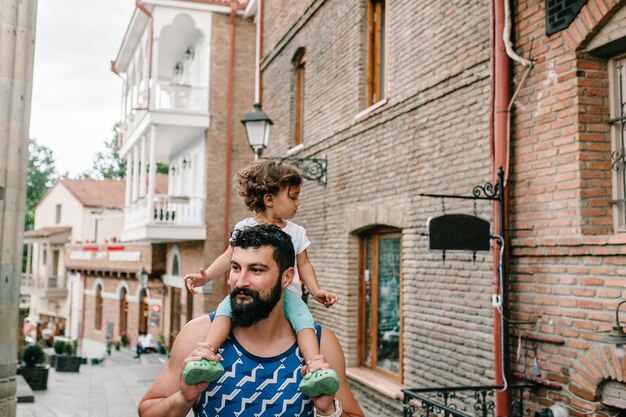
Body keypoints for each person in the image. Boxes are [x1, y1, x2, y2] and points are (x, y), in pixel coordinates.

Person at [139, 224, 364, 417]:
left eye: (256, 270)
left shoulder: (321, 344)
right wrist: (184, 398)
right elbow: (146, 411)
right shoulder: (199, 336)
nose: (240, 281)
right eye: (236, 268)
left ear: (287, 278)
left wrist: (328, 411)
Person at [182, 160, 339, 397]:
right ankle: (206, 355)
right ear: (269, 199)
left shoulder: (296, 232)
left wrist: (315, 291)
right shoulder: (245, 226)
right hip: (253, 294)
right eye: (293, 197)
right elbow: (228, 256)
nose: (298, 202)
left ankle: (315, 368)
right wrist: (206, 279)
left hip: (288, 295)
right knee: (225, 310)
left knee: (304, 321)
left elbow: (304, 265)